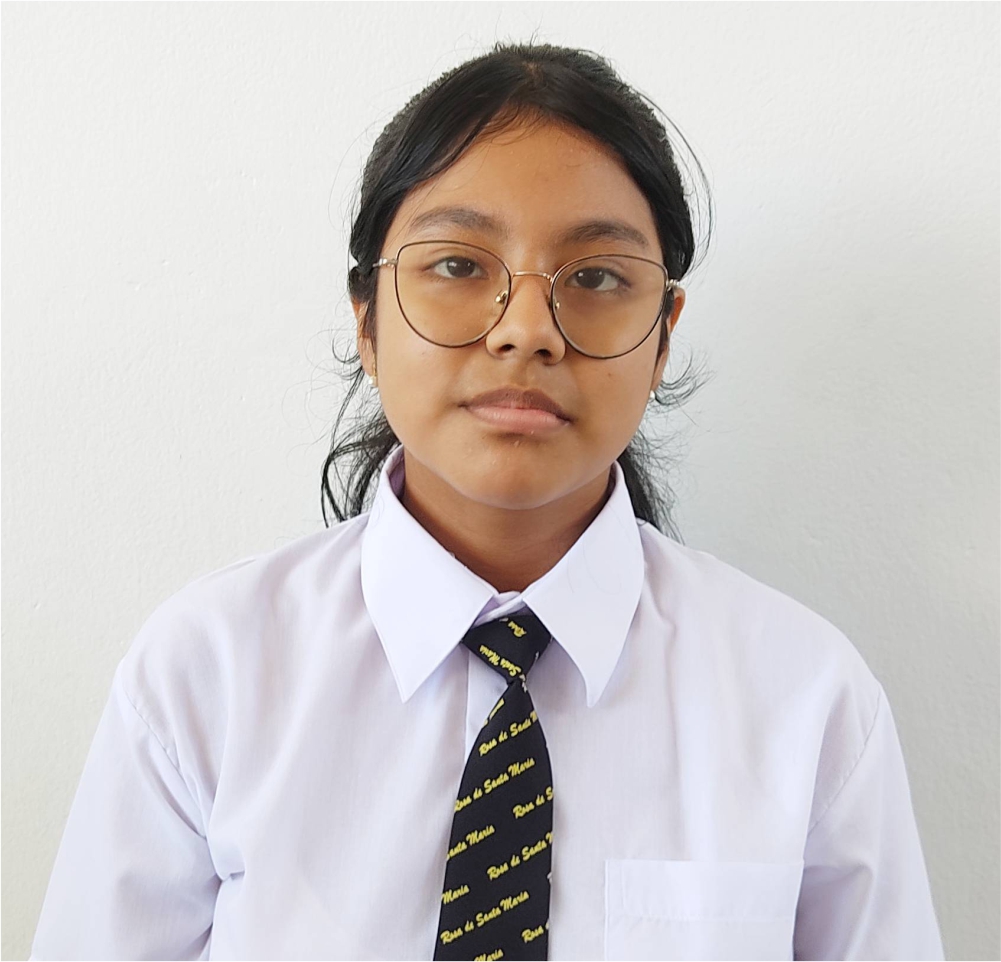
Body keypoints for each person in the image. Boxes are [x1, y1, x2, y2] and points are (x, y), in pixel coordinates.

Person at [31, 41, 944, 961]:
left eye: (595, 277)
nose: (525, 331)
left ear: (662, 337)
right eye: (458, 266)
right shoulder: (207, 673)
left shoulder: (805, 700)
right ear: (366, 316)